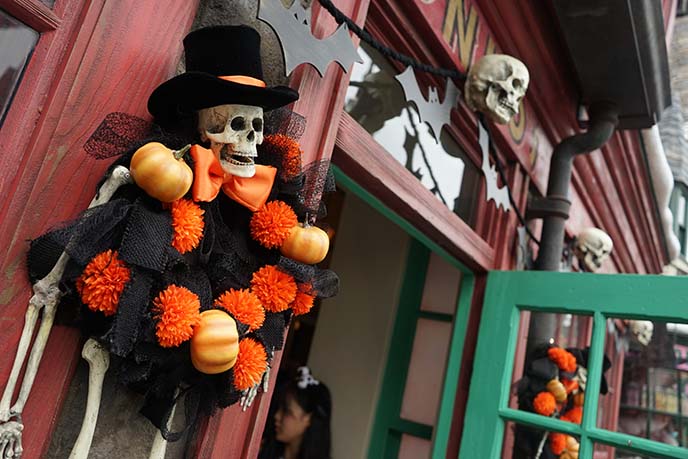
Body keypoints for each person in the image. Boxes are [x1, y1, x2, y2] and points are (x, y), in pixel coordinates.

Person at [260, 367, 332, 459]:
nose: (277, 416)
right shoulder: (263, 450)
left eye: (287, 411)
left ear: (309, 418)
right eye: (279, 408)